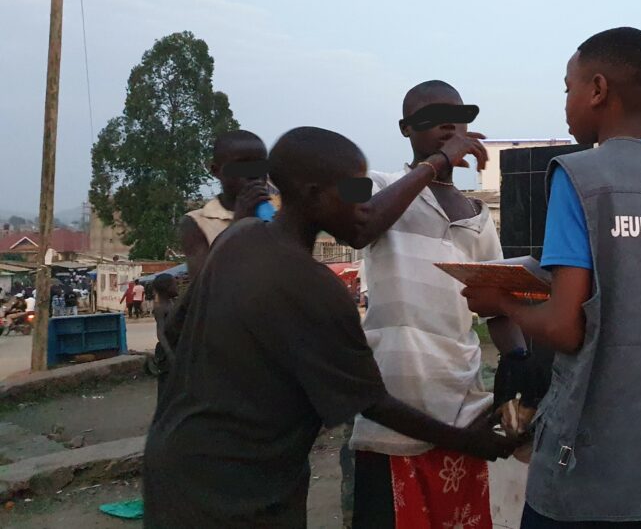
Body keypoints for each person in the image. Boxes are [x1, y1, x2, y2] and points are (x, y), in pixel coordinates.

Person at [143, 127, 517, 529]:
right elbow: (372, 402)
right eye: (354, 192)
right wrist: (468, 440)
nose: (365, 207)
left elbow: (179, 328)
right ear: (312, 194)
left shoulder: (239, 235)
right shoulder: (316, 288)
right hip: (238, 487)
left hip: (173, 460)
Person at [464, 27, 641, 528]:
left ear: (597, 89)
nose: (566, 104)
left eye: (567, 89)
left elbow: (568, 328)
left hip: (588, 464)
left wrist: (499, 301)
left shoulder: (578, 177)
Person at [346, 80, 523, 529]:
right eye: (432, 116)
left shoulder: (478, 218)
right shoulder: (382, 187)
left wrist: (518, 360)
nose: (448, 122)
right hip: (391, 416)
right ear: (406, 129)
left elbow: (497, 308)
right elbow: (359, 227)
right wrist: (437, 163)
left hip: (463, 415)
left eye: (456, 114)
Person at [178, 129, 271, 281]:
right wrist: (239, 223)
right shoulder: (196, 222)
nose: (253, 174)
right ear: (216, 171)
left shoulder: (278, 217)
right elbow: (202, 284)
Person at [149, 273, 180, 404]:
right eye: (174, 285)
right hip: (167, 351)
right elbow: (160, 333)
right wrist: (170, 354)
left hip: (175, 347)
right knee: (166, 386)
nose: (177, 287)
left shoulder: (172, 304)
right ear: (166, 288)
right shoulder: (160, 308)